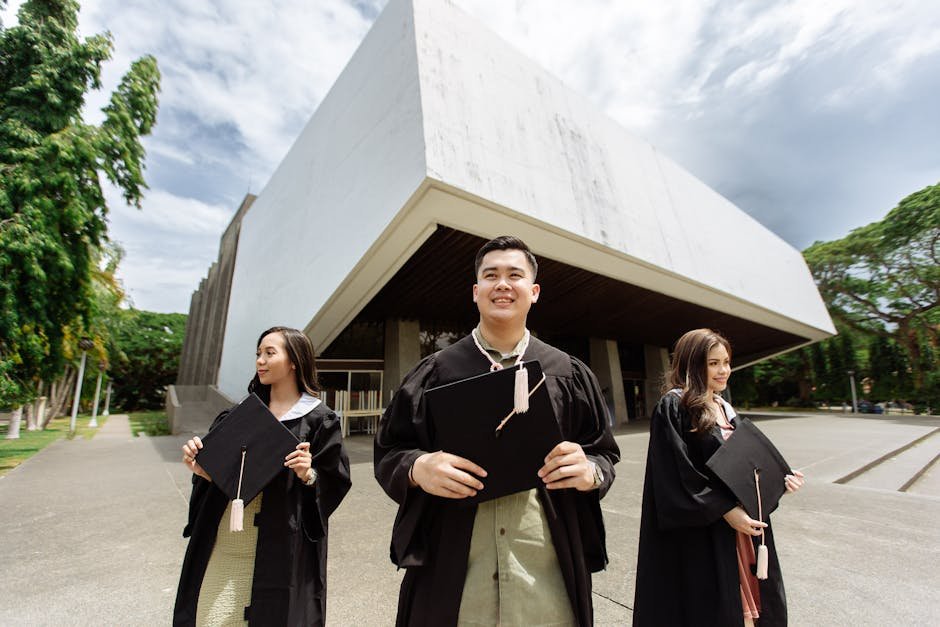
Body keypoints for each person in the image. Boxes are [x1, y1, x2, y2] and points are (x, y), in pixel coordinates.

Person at [374, 235, 620, 626]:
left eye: (514, 275)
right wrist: (418, 468)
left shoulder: (567, 372)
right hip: (454, 568)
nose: (502, 284)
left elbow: (603, 452)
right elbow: (390, 451)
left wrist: (590, 470)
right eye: (490, 276)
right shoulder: (435, 372)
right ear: (476, 291)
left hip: (544, 570)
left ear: (534, 291)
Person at [174, 326, 352, 626]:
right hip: (225, 543)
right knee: (210, 617)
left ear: (294, 360)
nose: (260, 360)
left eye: (270, 353)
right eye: (258, 354)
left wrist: (308, 474)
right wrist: (201, 469)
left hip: (280, 547)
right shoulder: (239, 416)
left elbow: (334, 481)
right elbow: (220, 478)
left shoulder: (320, 421)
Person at [632, 328, 804, 627]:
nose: (723, 370)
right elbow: (676, 474)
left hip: (739, 530)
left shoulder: (726, 409)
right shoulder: (675, 406)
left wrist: (776, 483)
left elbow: (743, 466)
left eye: (726, 362)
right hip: (704, 532)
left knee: (750, 613)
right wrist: (725, 510)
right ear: (691, 364)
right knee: (716, 609)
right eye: (713, 363)